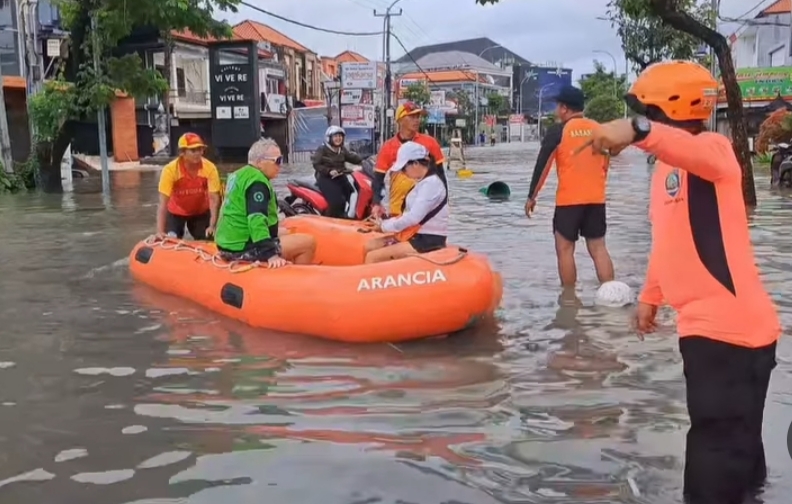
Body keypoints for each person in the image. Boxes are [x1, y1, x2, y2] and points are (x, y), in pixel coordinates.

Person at [587, 60, 781, 504]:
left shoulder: (714, 150)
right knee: (737, 451)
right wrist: (650, 299)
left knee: (717, 458)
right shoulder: (665, 171)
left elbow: (692, 151)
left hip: (732, 334)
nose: (642, 120)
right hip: (706, 330)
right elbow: (668, 238)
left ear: (663, 112)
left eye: (644, 111)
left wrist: (636, 130)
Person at [525, 84, 614, 287]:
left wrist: (532, 196)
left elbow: (543, 166)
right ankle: (612, 293)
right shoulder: (599, 130)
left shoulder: (558, 131)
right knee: (599, 248)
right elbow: (605, 165)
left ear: (564, 108)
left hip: (569, 202)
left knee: (564, 249)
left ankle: (569, 300)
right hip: (596, 200)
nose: (556, 110)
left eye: (557, 106)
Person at [214, 138, 316, 268]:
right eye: (277, 161)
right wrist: (270, 255)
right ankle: (297, 279)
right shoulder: (258, 183)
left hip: (228, 242)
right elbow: (256, 219)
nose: (280, 165)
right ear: (259, 162)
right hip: (243, 247)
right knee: (308, 242)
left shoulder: (239, 175)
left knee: (286, 232)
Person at [365, 142, 448, 263]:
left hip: (427, 240)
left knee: (372, 257)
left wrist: (384, 227)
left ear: (415, 163)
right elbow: (407, 215)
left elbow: (413, 218)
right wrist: (385, 222)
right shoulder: (423, 182)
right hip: (414, 235)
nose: (403, 173)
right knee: (370, 246)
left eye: (404, 168)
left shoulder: (431, 184)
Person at [371, 101, 446, 219]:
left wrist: (443, 203)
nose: (416, 120)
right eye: (412, 117)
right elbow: (378, 180)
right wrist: (376, 203)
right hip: (397, 210)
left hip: (425, 208)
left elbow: (440, 175)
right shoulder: (387, 147)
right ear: (400, 120)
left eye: (418, 117)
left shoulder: (430, 143)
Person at [156, 132, 221, 240]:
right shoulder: (170, 170)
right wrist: (159, 231)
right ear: (182, 152)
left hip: (200, 213)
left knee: (208, 238)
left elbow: (214, 200)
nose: (198, 153)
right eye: (193, 150)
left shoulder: (210, 168)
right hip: (175, 213)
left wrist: (212, 225)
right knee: (170, 240)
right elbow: (163, 203)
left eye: (200, 149)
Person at [311, 125, 363, 218]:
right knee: (339, 201)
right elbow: (316, 164)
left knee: (355, 193)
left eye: (340, 136)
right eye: (335, 136)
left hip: (340, 176)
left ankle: (351, 217)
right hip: (325, 178)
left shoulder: (342, 149)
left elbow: (352, 158)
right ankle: (331, 220)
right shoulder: (322, 149)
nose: (338, 138)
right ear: (329, 138)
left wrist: (367, 161)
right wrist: (329, 171)